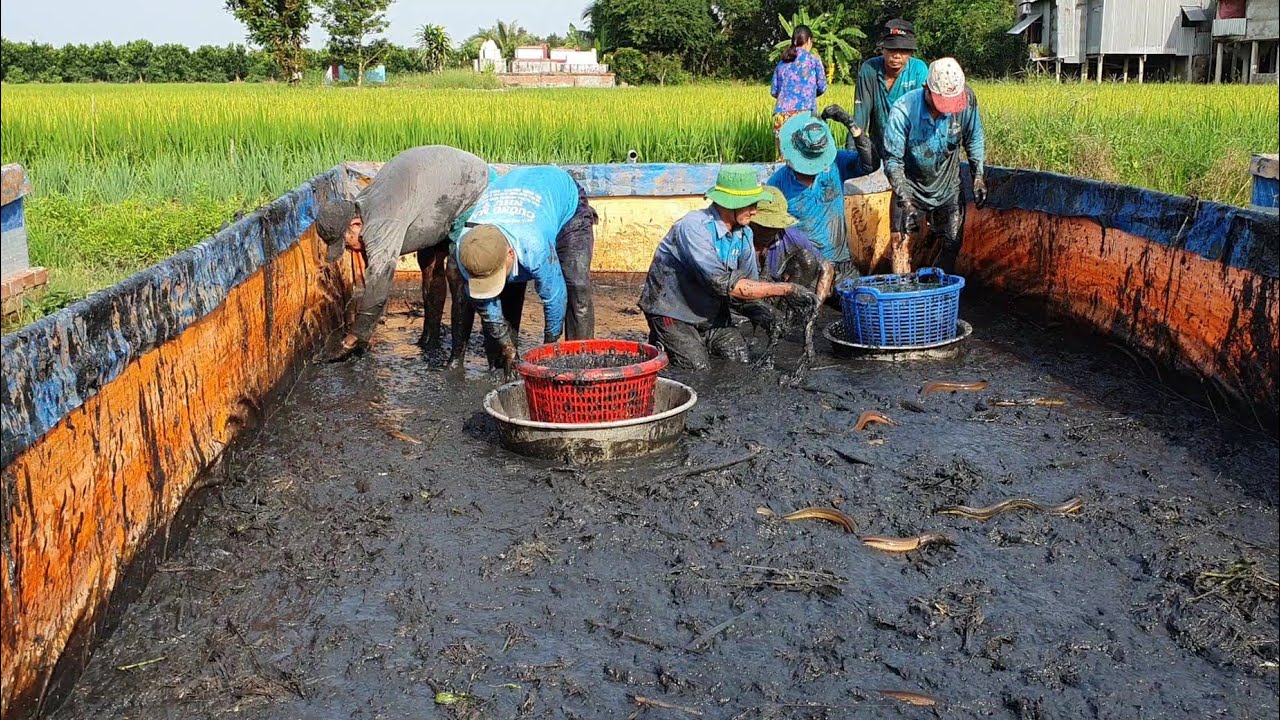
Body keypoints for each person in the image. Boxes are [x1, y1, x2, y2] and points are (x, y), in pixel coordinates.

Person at [315, 145, 491, 363]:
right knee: (427, 260)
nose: (351, 249)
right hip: (436, 188)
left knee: (456, 272)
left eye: (347, 243)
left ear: (355, 224)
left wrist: (351, 340)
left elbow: (378, 289)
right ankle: (431, 336)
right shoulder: (363, 203)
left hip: (471, 185)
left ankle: (457, 359)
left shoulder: (380, 223)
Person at [639, 166, 817, 371]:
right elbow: (722, 284)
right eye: (749, 204)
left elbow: (746, 291)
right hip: (672, 313)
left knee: (739, 359)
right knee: (697, 368)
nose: (754, 211)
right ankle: (665, 347)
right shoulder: (694, 227)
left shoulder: (744, 235)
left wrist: (768, 315)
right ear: (729, 204)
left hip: (711, 317)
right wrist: (787, 289)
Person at [454, 165, 597, 372]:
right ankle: (504, 368)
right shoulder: (466, 246)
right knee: (507, 291)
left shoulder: (533, 247)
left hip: (564, 202)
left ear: (510, 254)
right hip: (512, 197)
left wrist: (549, 350)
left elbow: (555, 298)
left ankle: (581, 364)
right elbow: (485, 303)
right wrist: (507, 346)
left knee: (576, 285)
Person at [883, 57, 987, 275]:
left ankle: (936, 291)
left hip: (948, 187)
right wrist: (906, 200)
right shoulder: (903, 110)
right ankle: (903, 300)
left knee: (952, 242)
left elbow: (973, 137)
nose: (945, 110)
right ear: (926, 89)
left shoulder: (967, 101)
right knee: (900, 245)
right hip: (910, 187)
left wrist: (978, 176)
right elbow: (893, 161)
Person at [768, 113, 875, 300]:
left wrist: (850, 123)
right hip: (805, 268)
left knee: (866, 305)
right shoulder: (778, 184)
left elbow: (871, 164)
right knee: (801, 315)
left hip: (842, 264)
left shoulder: (836, 164)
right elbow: (768, 233)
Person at [853, 19, 929, 169]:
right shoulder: (869, 70)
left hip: (911, 153)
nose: (897, 56)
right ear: (883, 49)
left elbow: (922, 120)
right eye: (892, 50)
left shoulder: (918, 70)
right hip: (878, 151)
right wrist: (853, 153)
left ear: (910, 52)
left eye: (903, 51)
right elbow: (860, 117)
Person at [751, 186, 832, 297]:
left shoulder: (789, 235)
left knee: (807, 259)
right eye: (763, 226)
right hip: (746, 293)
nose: (768, 232)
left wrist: (817, 305)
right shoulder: (739, 239)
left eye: (774, 227)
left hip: (777, 292)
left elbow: (827, 268)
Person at [770, 24, 826, 158]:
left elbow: (774, 91)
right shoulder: (814, 61)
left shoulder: (783, 62)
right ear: (809, 41)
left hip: (782, 116)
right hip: (804, 115)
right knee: (804, 160)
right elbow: (822, 87)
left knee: (783, 160)